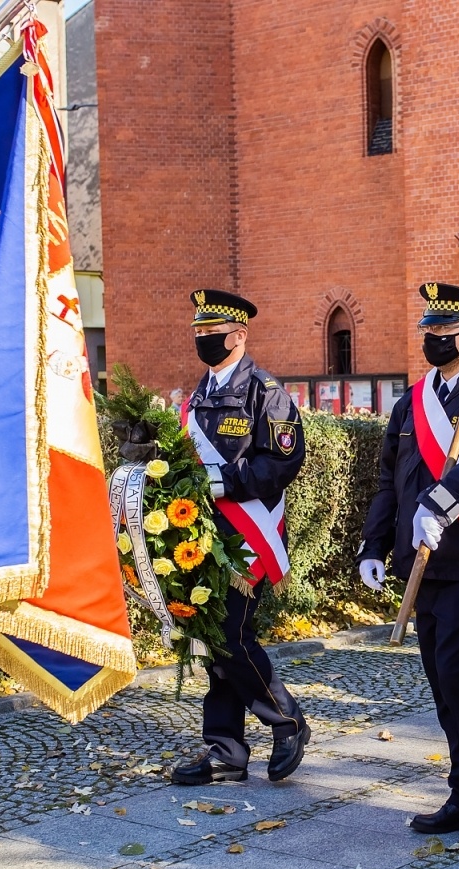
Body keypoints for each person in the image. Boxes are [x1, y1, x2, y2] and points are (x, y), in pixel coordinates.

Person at [357, 283, 459, 845]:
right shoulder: (413, 400)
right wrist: (373, 546)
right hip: (421, 563)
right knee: (441, 682)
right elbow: (389, 480)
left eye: (443, 331)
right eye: (427, 330)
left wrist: (441, 502)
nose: (432, 339)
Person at [170, 290, 310, 786]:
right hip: (203, 536)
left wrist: (226, 481)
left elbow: (284, 461)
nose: (203, 340)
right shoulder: (198, 394)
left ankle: (286, 719)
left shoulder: (264, 391)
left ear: (239, 335)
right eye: (199, 333)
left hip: (248, 535)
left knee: (233, 636)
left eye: (213, 333)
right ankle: (226, 749)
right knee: (213, 640)